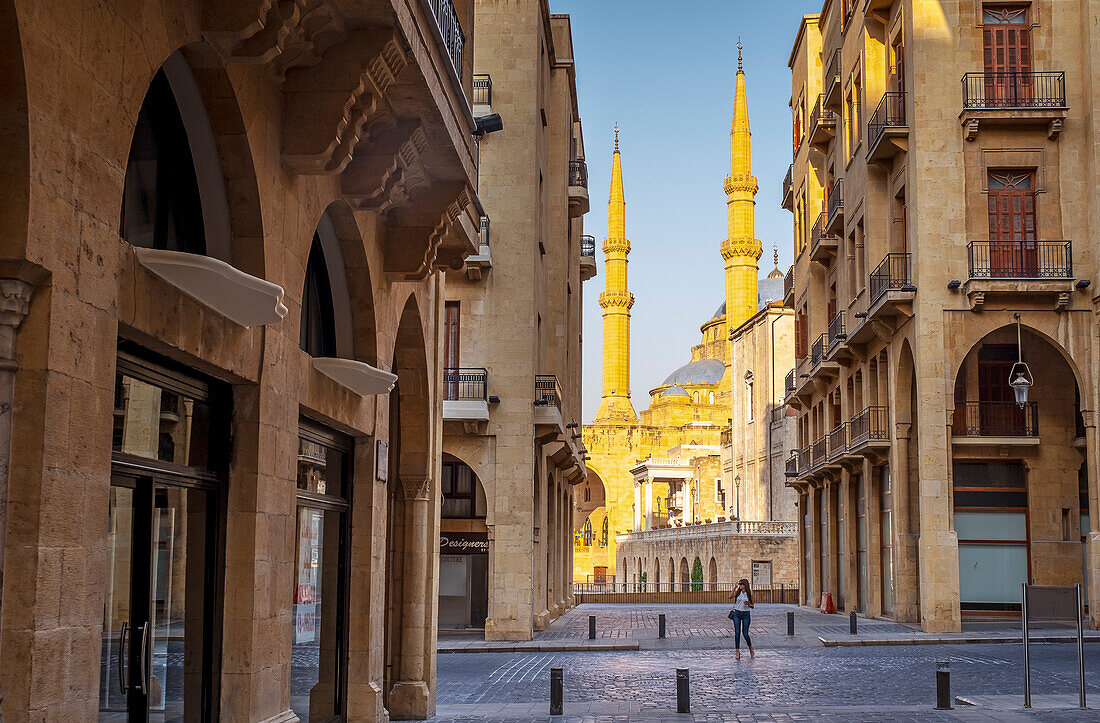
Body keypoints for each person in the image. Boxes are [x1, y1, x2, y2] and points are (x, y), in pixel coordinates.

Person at [728, 578, 755, 659]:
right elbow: (730, 597)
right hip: (737, 613)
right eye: (739, 584)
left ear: (745, 585)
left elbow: (753, 606)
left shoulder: (749, 594)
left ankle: (750, 648)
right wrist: (734, 588)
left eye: (741, 584)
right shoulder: (738, 592)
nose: (740, 585)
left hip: (746, 613)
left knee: (745, 633)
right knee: (737, 632)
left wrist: (748, 604)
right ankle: (737, 652)